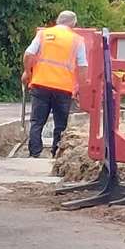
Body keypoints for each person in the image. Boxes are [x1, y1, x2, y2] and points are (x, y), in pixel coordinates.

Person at [22, 10, 86, 158]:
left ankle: (34, 153)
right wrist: (80, 87)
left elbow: (28, 54)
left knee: (37, 122)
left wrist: (27, 72)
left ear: (58, 20)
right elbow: (83, 66)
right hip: (63, 88)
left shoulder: (43, 34)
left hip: (40, 84)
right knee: (60, 124)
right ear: (73, 24)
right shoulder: (77, 40)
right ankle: (56, 153)